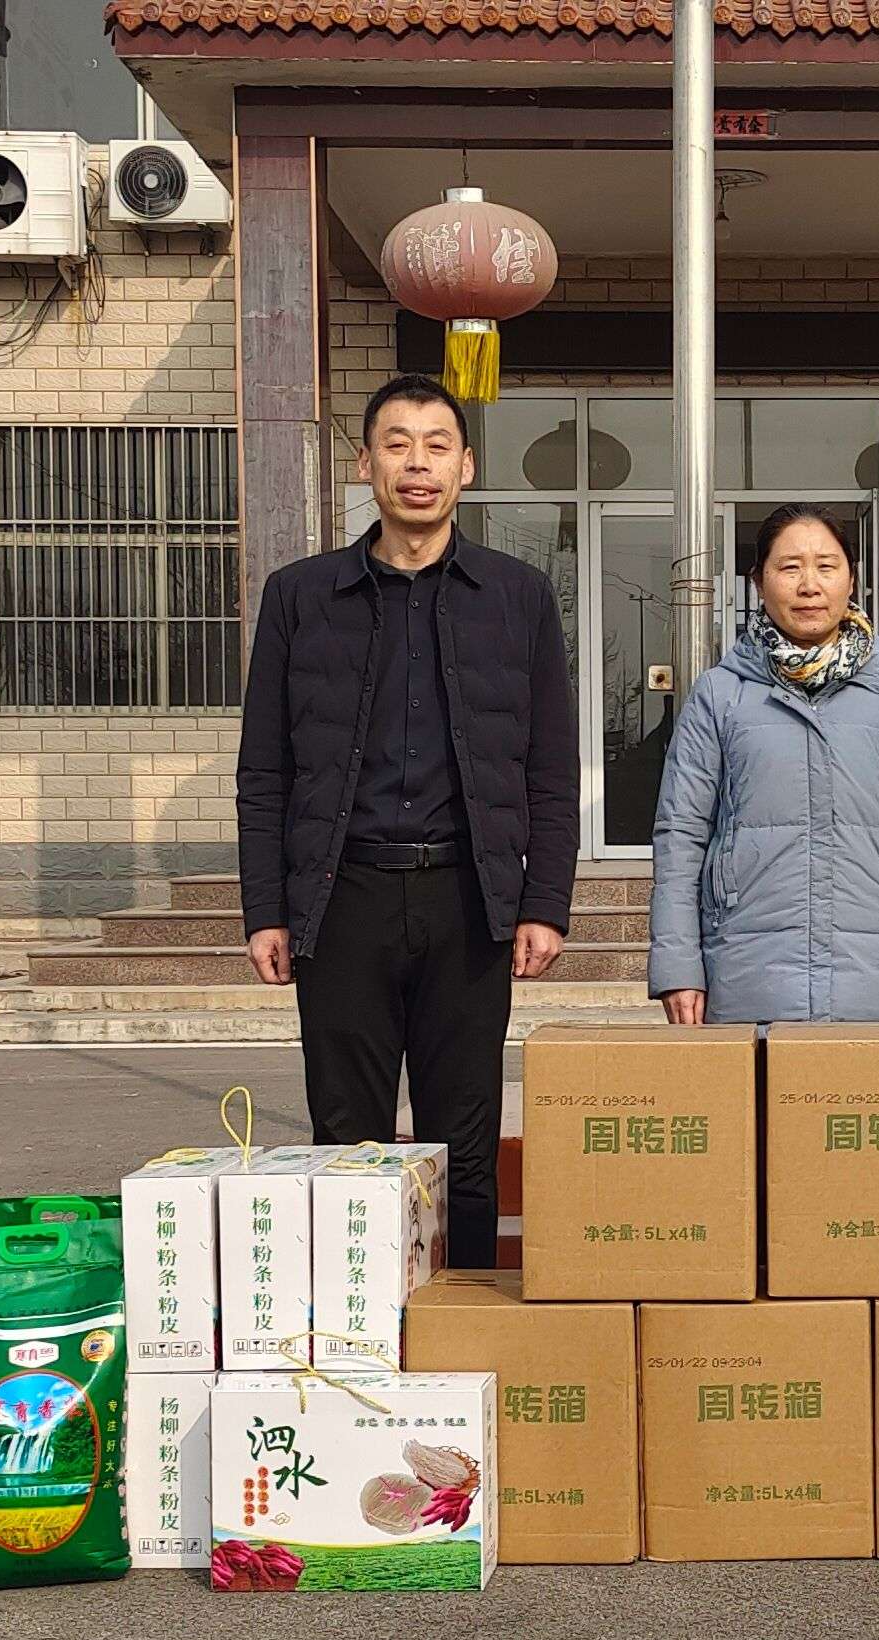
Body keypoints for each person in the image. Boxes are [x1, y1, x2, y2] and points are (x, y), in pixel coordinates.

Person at [236, 373, 578, 1268]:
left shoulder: (518, 596)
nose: (416, 465)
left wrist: (544, 901)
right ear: (366, 464)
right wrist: (266, 908)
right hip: (341, 895)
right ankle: (360, 1323)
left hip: (468, 899)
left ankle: (464, 1312)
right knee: (344, 1136)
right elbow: (264, 769)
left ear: (466, 467)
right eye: (397, 444)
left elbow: (549, 767)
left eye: (436, 446)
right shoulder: (301, 596)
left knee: (465, 1141)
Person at [649, 504, 879, 1025]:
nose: (809, 586)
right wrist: (679, 966)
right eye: (789, 567)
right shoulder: (720, 695)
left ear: (851, 580)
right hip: (746, 967)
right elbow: (680, 836)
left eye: (826, 566)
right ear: (758, 582)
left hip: (878, 967)